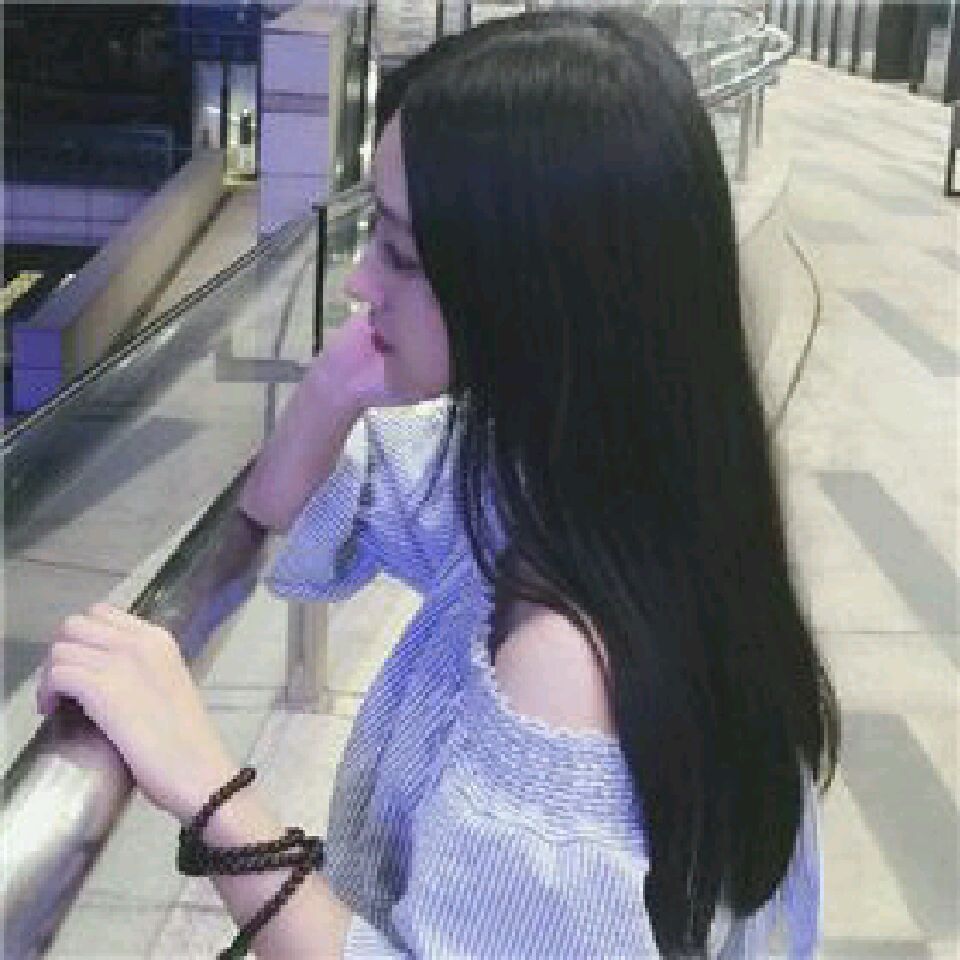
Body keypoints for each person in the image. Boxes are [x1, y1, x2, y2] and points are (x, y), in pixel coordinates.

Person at [36, 10, 839, 958]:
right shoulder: (603, 485)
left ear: (530, 293)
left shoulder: (566, 672)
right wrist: (332, 391)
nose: (359, 283)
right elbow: (327, 505)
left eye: (402, 253)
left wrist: (201, 780)